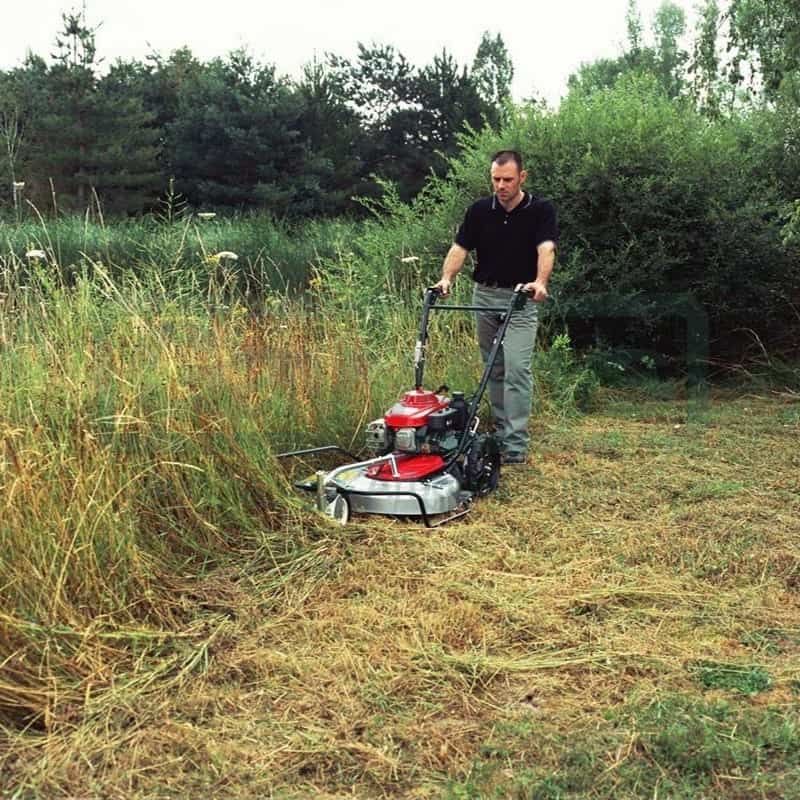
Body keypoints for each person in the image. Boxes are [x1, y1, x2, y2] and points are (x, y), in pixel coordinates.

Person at [433, 149, 558, 464]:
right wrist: (446, 279)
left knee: (517, 369)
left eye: (508, 179)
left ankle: (515, 446)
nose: (501, 185)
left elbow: (547, 248)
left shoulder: (540, 210)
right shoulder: (479, 211)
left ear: (522, 178)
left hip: (520, 299)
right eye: (496, 179)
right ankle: (501, 435)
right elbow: (460, 247)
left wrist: (540, 282)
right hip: (485, 298)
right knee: (495, 369)